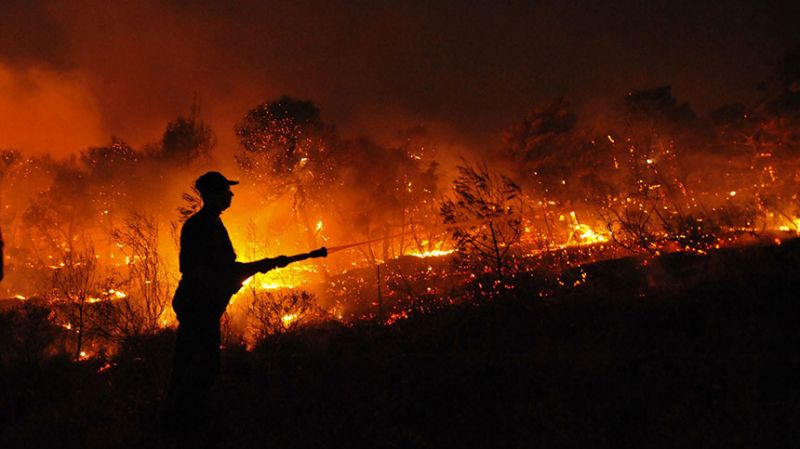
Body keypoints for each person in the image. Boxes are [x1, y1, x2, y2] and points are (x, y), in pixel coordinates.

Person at [164, 171, 290, 438]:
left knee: (193, 363)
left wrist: (260, 266)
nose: (230, 194)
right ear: (210, 194)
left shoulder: (211, 223)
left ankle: (180, 422)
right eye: (224, 190)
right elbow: (211, 271)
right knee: (198, 366)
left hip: (201, 305)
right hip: (199, 305)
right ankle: (184, 427)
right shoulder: (202, 226)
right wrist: (258, 266)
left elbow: (222, 269)